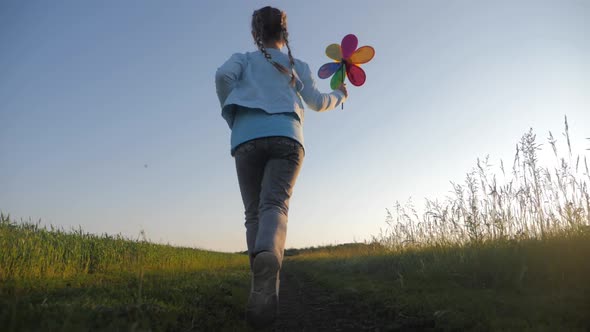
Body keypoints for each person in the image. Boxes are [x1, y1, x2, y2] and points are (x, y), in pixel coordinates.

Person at [215, 5, 348, 328]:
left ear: (255, 34)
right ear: (284, 34)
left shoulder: (243, 60)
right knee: (275, 204)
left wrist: (234, 108)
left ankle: (260, 288)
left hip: (246, 139)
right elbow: (317, 102)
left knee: (253, 213)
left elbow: (222, 76)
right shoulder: (296, 65)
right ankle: (268, 268)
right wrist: (339, 95)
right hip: (288, 138)